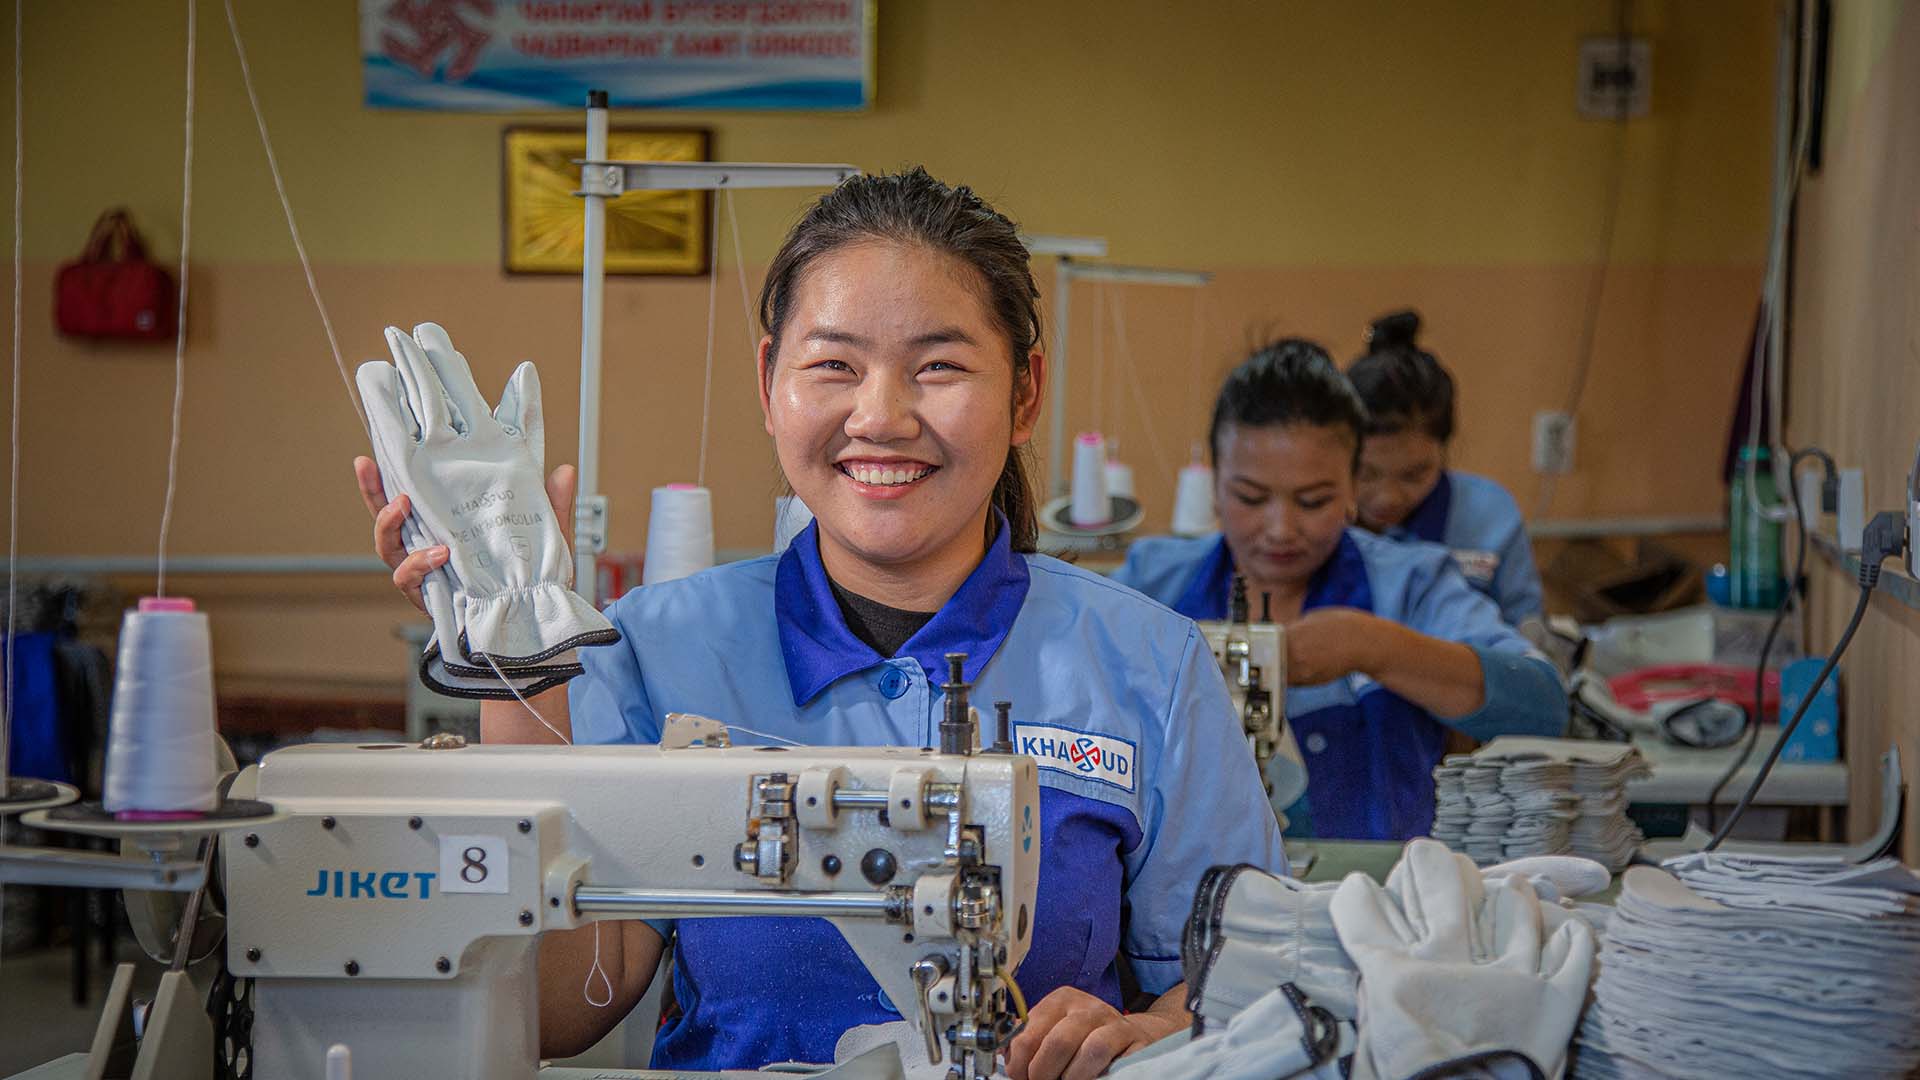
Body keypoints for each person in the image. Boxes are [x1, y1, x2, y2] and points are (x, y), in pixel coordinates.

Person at [354, 168, 1283, 1080]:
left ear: (1025, 393)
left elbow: (1253, 988)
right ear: (769, 381)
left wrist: (1155, 1038)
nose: (880, 417)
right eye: (834, 365)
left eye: (940, 367)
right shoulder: (655, 648)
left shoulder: (1148, 665)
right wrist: (519, 666)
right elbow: (558, 1014)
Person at [1112, 338, 1565, 841]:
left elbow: (1541, 705)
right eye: (1250, 497)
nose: (1281, 529)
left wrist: (1372, 647)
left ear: (1354, 487)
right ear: (1214, 483)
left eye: (1313, 501)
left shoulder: (1411, 584)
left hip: (1373, 896)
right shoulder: (1151, 584)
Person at [1347, 310, 1544, 626]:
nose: (1388, 498)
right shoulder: (1319, 523)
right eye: (1365, 474)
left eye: (1414, 475)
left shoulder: (1490, 516)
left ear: (1445, 449)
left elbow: (1525, 631)